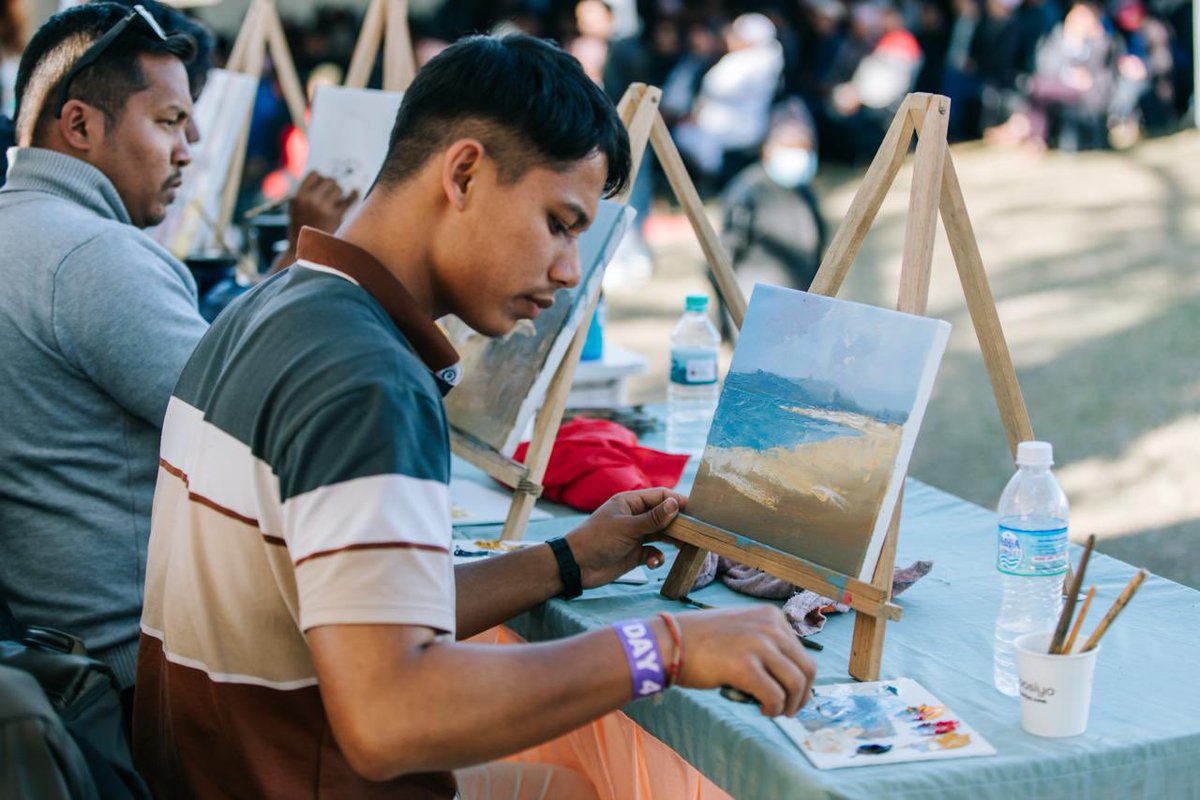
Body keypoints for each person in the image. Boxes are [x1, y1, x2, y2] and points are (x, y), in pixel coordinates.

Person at [134, 33, 817, 799]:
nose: (567, 269)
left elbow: (363, 610)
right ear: (463, 173)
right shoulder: (365, 376)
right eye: (560, 223)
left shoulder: (273, 303)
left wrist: (569, 560)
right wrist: (666, 645)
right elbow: (391, 717)